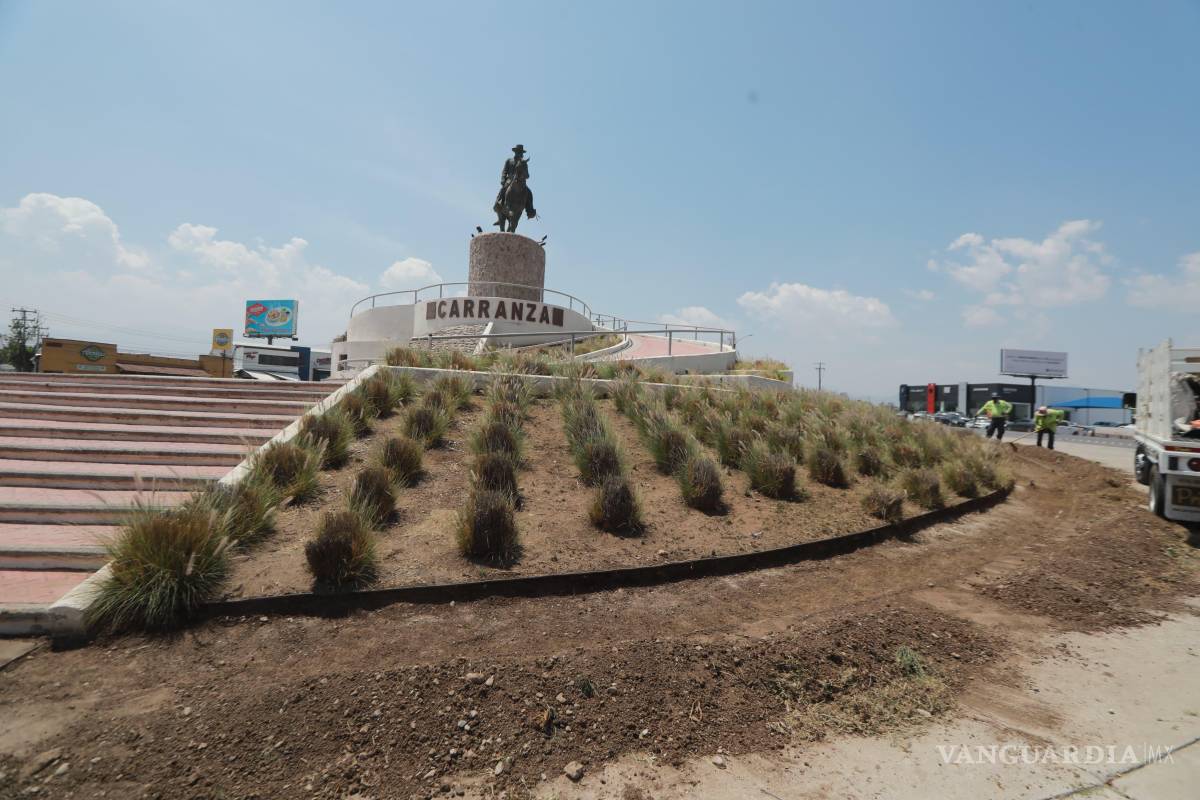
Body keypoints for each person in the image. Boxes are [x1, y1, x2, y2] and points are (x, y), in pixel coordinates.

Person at [494, 144, 536, 220]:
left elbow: (527, 175)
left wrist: (524, 175)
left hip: (521, 182)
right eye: (518, 152)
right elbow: (504, 171)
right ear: (515, 152)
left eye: (521, 152)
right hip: (509, 180)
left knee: (529, 193)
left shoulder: (524, 163)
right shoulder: (509, 161)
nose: (520, 154)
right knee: (503, 190)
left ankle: (530, 210)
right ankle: (499, 203)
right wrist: (503, 179)